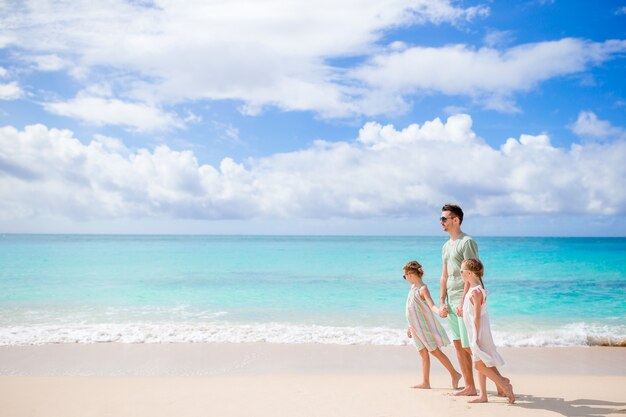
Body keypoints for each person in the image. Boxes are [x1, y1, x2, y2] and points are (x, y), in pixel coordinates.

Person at [437, 203, 479, 396]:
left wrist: (463, 302)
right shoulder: (446, 246)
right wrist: (441, 301)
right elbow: (444, 275)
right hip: (451, 299)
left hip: (464, 300)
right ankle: (469, 386)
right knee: (457, 344)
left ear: (456, 220)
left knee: (469, 346)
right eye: (441, 218)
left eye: (444, 218)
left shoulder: (467, 242)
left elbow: (472, 273)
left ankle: (500, 381)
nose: (441, 222)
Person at [460, 258, 515, 404]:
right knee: (481, 363)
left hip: (478, 333)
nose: (460, 273)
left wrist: (476, 337)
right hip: (476, 331)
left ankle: (504, 383)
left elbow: (477, 317)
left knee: (478, 364)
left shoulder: (475, 292)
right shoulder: (475, 289)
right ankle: (483, 395)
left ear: (470, 273)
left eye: (462, 270)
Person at [403, 260, 462, 390]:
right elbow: (411, 309)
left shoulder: (422, 289)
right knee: (423, 353)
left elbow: (431, 306)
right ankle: (425, 382)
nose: (405, 278)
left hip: (423, 328)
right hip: (415, 328)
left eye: (404, 276)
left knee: (435, 351)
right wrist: (409, 326)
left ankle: (455, 374)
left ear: (410, 274)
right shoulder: (412, 288)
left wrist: (440, 311)